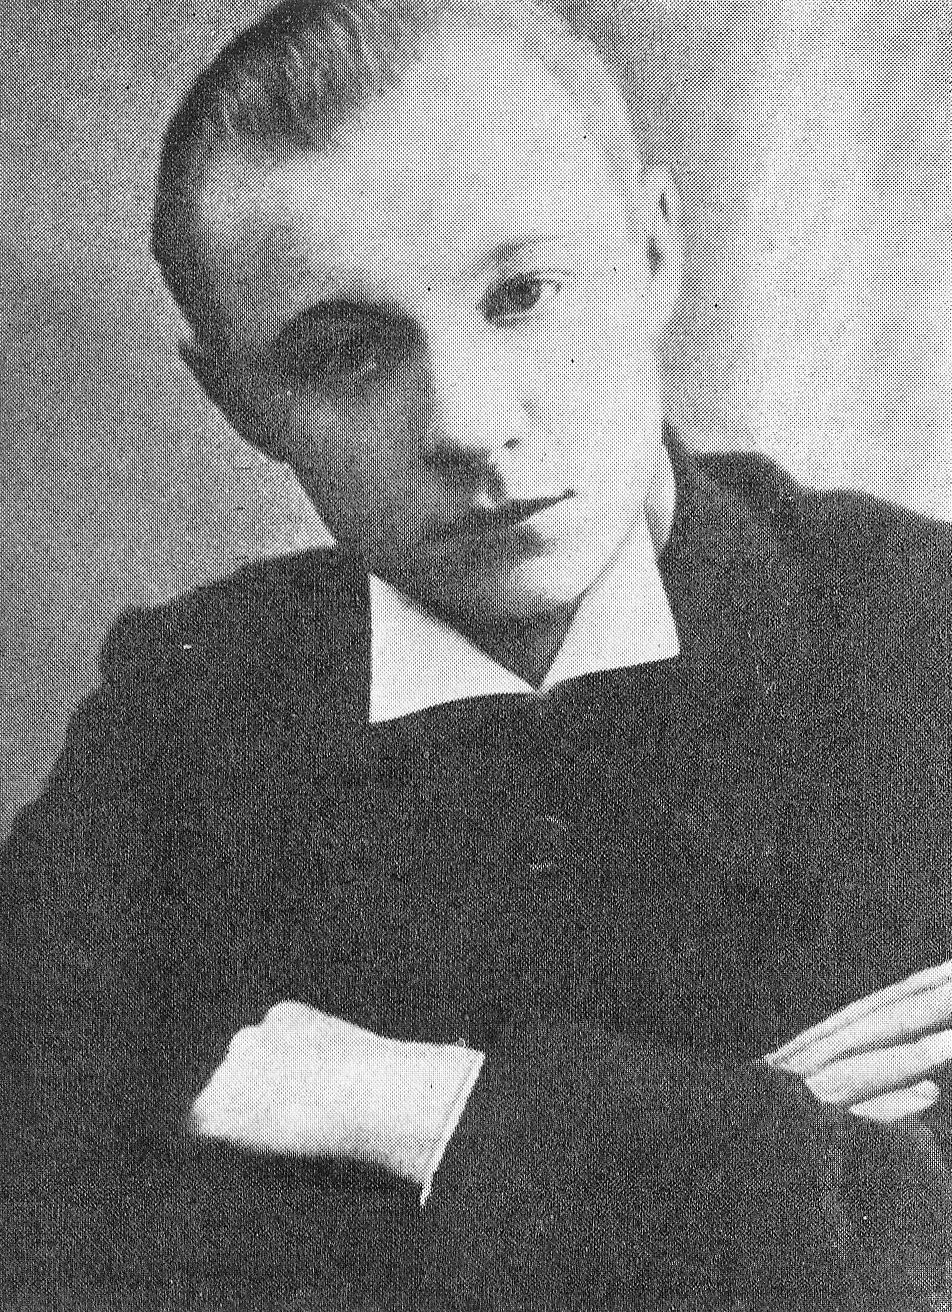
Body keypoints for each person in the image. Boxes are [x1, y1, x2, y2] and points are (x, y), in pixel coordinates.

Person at [4, 0, 952, 1306]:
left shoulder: (919, 637)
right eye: (345, 352)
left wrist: (421, 1110)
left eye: (524, 294)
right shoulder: (183, 716)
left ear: (656, 253)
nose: (465, 420)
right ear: (240, 402)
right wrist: (750, 1158)